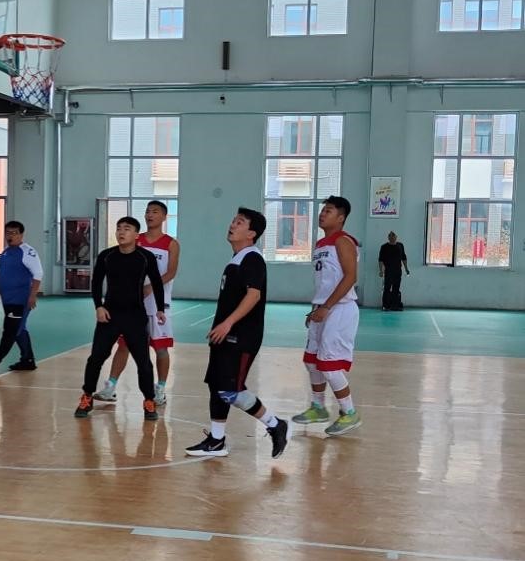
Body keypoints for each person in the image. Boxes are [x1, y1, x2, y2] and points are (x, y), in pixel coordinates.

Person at [185, 208, 289, 459]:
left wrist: (228, 323)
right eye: (233, 220)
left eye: (239, 222)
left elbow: (254, 295)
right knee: (216, 386)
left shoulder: (252, 258)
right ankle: (216, 440)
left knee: (231, 390)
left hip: (242, 337)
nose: (232, 225)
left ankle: (275, 424)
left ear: (251, 233)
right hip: (224, 335)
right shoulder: (237, 259)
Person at [74, 216, 164, 422]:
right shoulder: (107, 256)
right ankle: (87, 397)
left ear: (136, 235)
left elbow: (157, 283)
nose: (121, 232)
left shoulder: (145, 257)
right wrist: (98, 306)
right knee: (96, 358)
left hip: (135, 316)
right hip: (110, 316)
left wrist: (160, 309)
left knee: (143, 362)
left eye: (127, 229)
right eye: (119, 228)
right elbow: (96, 283)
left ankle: (149, 401)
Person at [94, 200, 179, 406]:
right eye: (148, 211)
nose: (150, 215)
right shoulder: (135, 239)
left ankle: (160, 389)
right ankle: (110, 387)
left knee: (160, 348)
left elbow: (171, 272)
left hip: (157, 303)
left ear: (164, 217)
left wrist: (150, 288)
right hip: (132, 305)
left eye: (155, 212)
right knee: (123, 345)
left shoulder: (170, 243)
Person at [291, 196, 362, 437]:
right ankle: (318, 407)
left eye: (329, 211)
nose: (322, 214)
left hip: (340, 308)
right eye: (323, 210)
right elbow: (325, 282)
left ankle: (349, 413)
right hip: (323, 308)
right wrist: (317, 308)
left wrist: (327, 307)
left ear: (341, 217)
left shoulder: (343, 241)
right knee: (311, 361)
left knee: (330, 366)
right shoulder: (321, 243)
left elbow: (351, 277)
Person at [0, 221, 44, 373]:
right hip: (7, 299)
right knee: (19, 329)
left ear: (21, 235)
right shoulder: (6, 252)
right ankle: (27, 360)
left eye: (14, 233)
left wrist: (32, 296)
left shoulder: (27, 252)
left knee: (10, 331)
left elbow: (38, 274)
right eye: (8, 232)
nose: (10, 236)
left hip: (20, 300)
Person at [379, 231, 409, 311]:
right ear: (388, 238)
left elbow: (404, 258)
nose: (392, 238)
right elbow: (381, 260)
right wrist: (381, 271)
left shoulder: (400, 246)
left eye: (394, 237)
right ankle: (385, 306)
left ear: (396, 237)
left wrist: (406, 268)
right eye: (390, 237)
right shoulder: (384, 247)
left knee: (396, 288)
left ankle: (395, 306)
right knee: (387, 288)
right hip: (388, 271)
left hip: (398, 271)